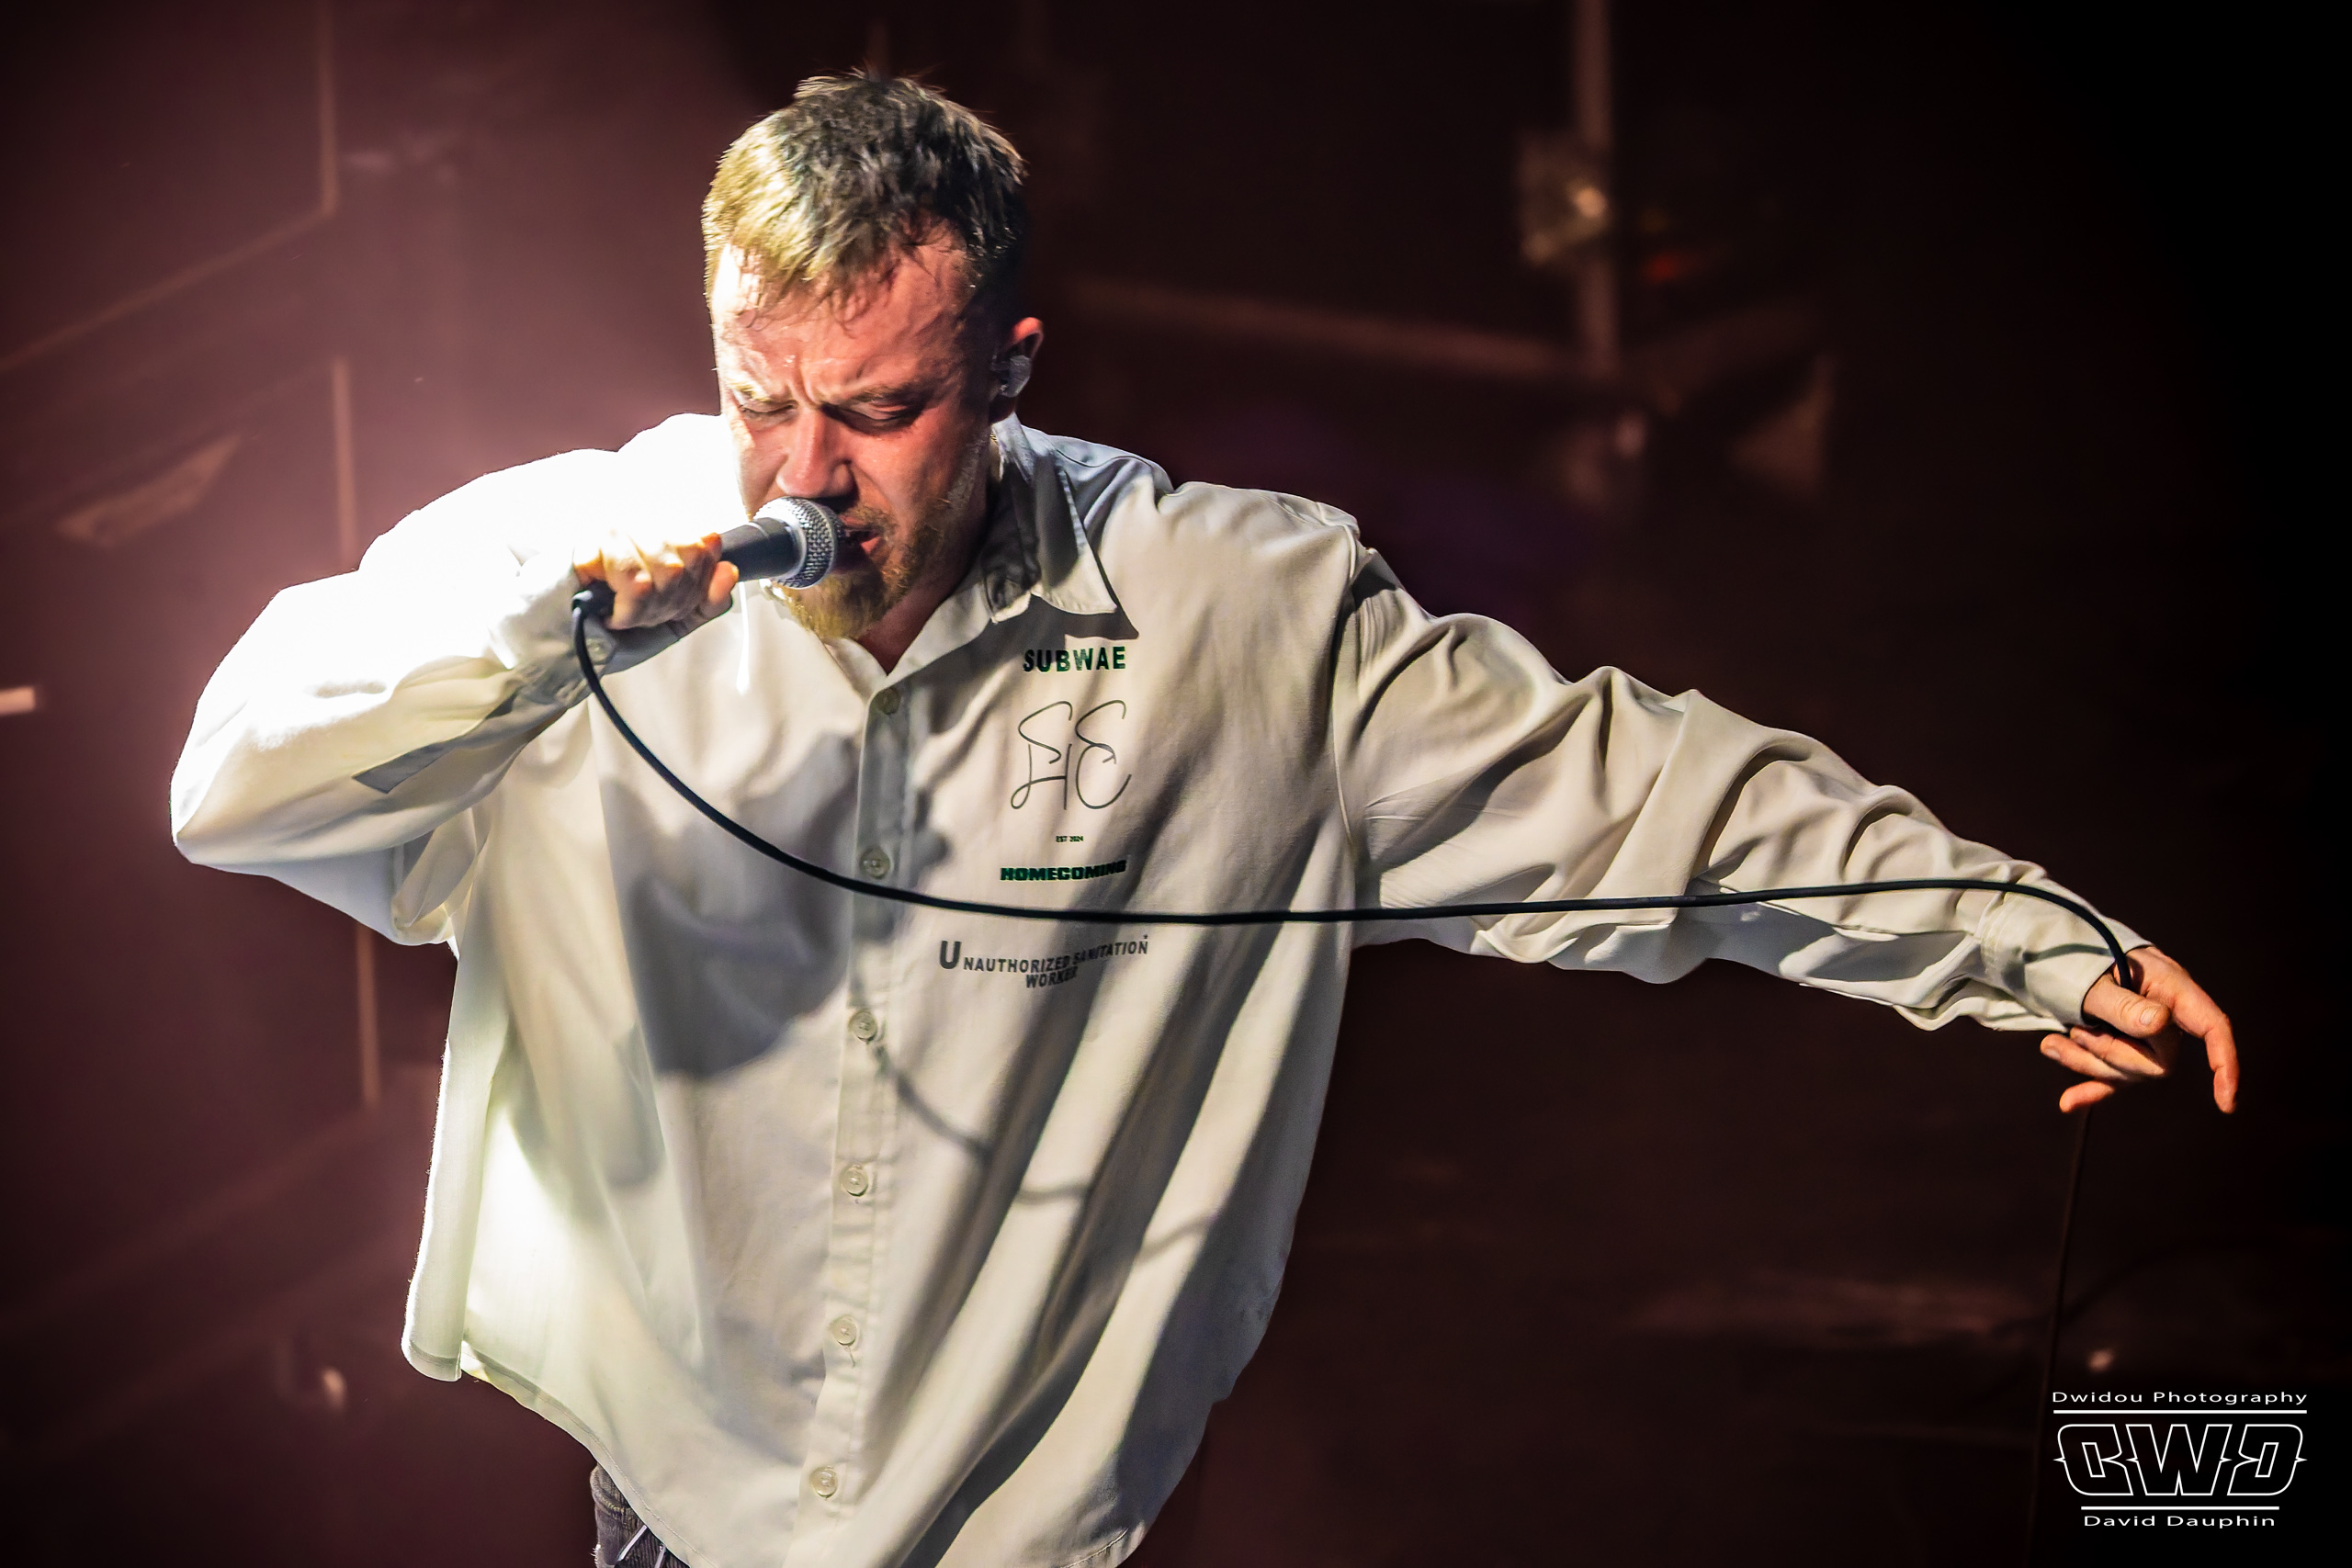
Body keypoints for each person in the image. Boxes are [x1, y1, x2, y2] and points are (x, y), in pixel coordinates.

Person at [170, 73, 2237, 1568]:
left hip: (1038, 1529)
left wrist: (2019, 942)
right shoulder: (570, 561)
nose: (803, 469)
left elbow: (1639, 795)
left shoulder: (1232, 618)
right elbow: (231, 784)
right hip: (678, 1510)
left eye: (876, 409)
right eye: (759, 391)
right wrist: (538, 644)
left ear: (1007, 372)